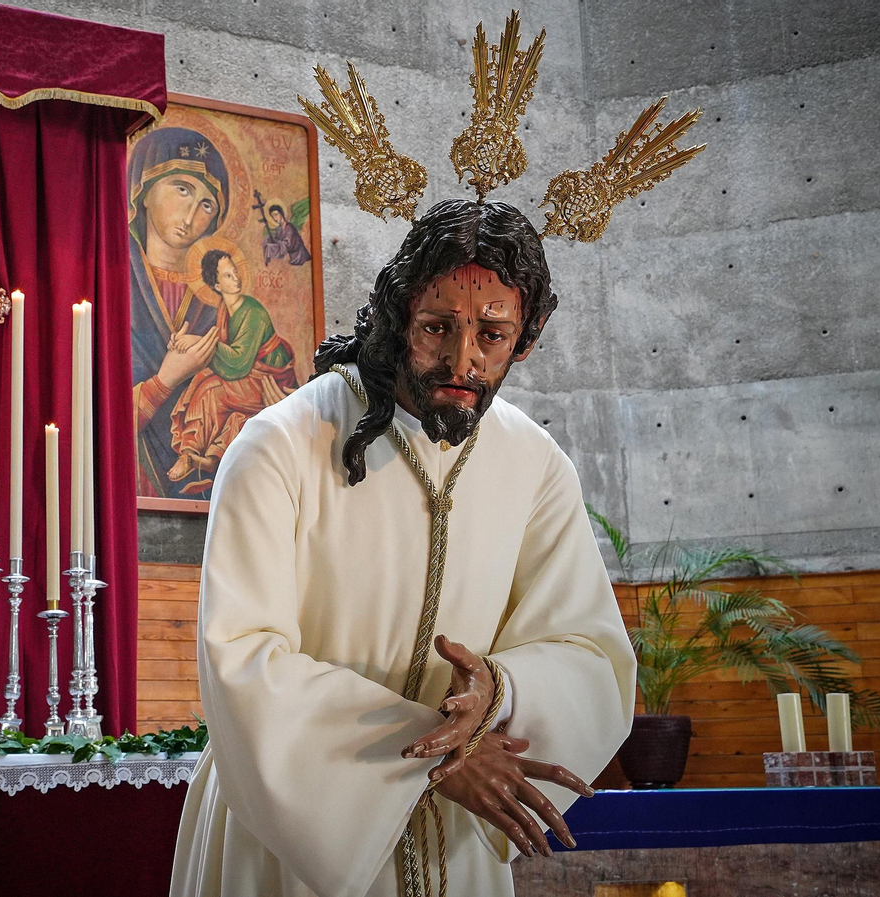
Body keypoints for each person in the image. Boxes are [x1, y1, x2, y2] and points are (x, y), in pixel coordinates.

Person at [170, 199, 636, 897]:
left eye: (493, 334)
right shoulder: (281, 446)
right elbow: (243, 660)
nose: (462, 358)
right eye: (437, 327)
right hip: (292, 839)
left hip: (457, 835)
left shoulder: (533, 464)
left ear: (527, 339)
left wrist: (499, 694)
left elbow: (590, 650)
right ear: (398, 314)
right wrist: (426, 756)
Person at [129, 127, 230, 499]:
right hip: (125, 486)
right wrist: (166, 379)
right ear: (144, 187)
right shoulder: (107, 283)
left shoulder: (219, 301)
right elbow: (81, 423)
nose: (191, 214)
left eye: (207, 205)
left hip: (206, 493)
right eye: (182, 188)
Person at [167, 248, 299, 492]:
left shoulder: (253, 311)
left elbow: (238, 364)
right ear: (216, 284)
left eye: (235, 272)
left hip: (271, 380)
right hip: (253, 378)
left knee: (210, 390)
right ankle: (207, 458)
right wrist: (182, 345)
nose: (236, 278)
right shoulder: (224, 311)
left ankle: (189, 451)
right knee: (228, 407)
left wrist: (197, 341)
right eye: (228, 275)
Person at [262, 202, 313, 266]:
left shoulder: (289, 228)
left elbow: (288, 245)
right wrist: (271, 239)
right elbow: (278, 241)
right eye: (273, 216)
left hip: (299, 257)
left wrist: (276, 242)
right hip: (291, 256)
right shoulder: (279, 229)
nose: (275, 218)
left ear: (281, 214)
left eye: (276, 215)